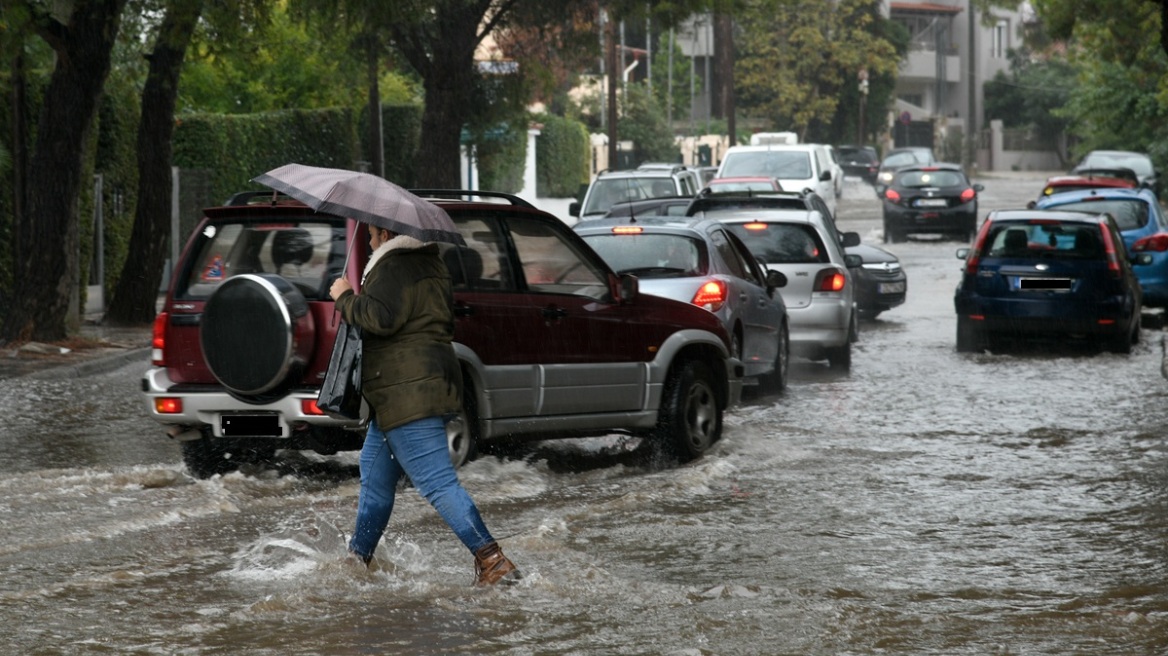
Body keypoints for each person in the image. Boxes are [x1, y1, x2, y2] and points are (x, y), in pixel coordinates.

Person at [329, 224, 520, 586]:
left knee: (437, 482)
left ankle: (493, 561)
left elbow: (380, 318)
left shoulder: (395, 265)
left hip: (406, 391)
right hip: (410, 388)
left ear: (386, 233)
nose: (369, 242)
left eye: (371, 234)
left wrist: (344, 297)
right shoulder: (430, 263)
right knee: (375, 486)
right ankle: (356, 564)